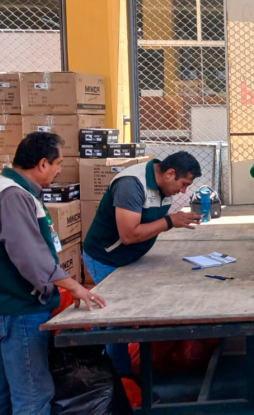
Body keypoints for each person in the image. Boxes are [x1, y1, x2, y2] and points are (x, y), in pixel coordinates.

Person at [0, 132, 106, 414]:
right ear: (42, 164)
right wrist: (74, 286)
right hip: (17, 306)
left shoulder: (5, 188)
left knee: (6, 385)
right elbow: (30, 258)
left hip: (4, 303)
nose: (59, 170)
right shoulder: (12, 196)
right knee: (33, 391)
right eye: (58, 163)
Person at [83, 151, 202, 376]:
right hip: (105, 258)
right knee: (119, 317)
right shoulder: (131, 185)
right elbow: (128, 235)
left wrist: (177, 219)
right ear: (170, 173)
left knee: (108, 318)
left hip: (129, 258)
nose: (183, 191)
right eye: (184, 184)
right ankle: (120, 377)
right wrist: (170, 221)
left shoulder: (164, 185)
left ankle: (94, 364)